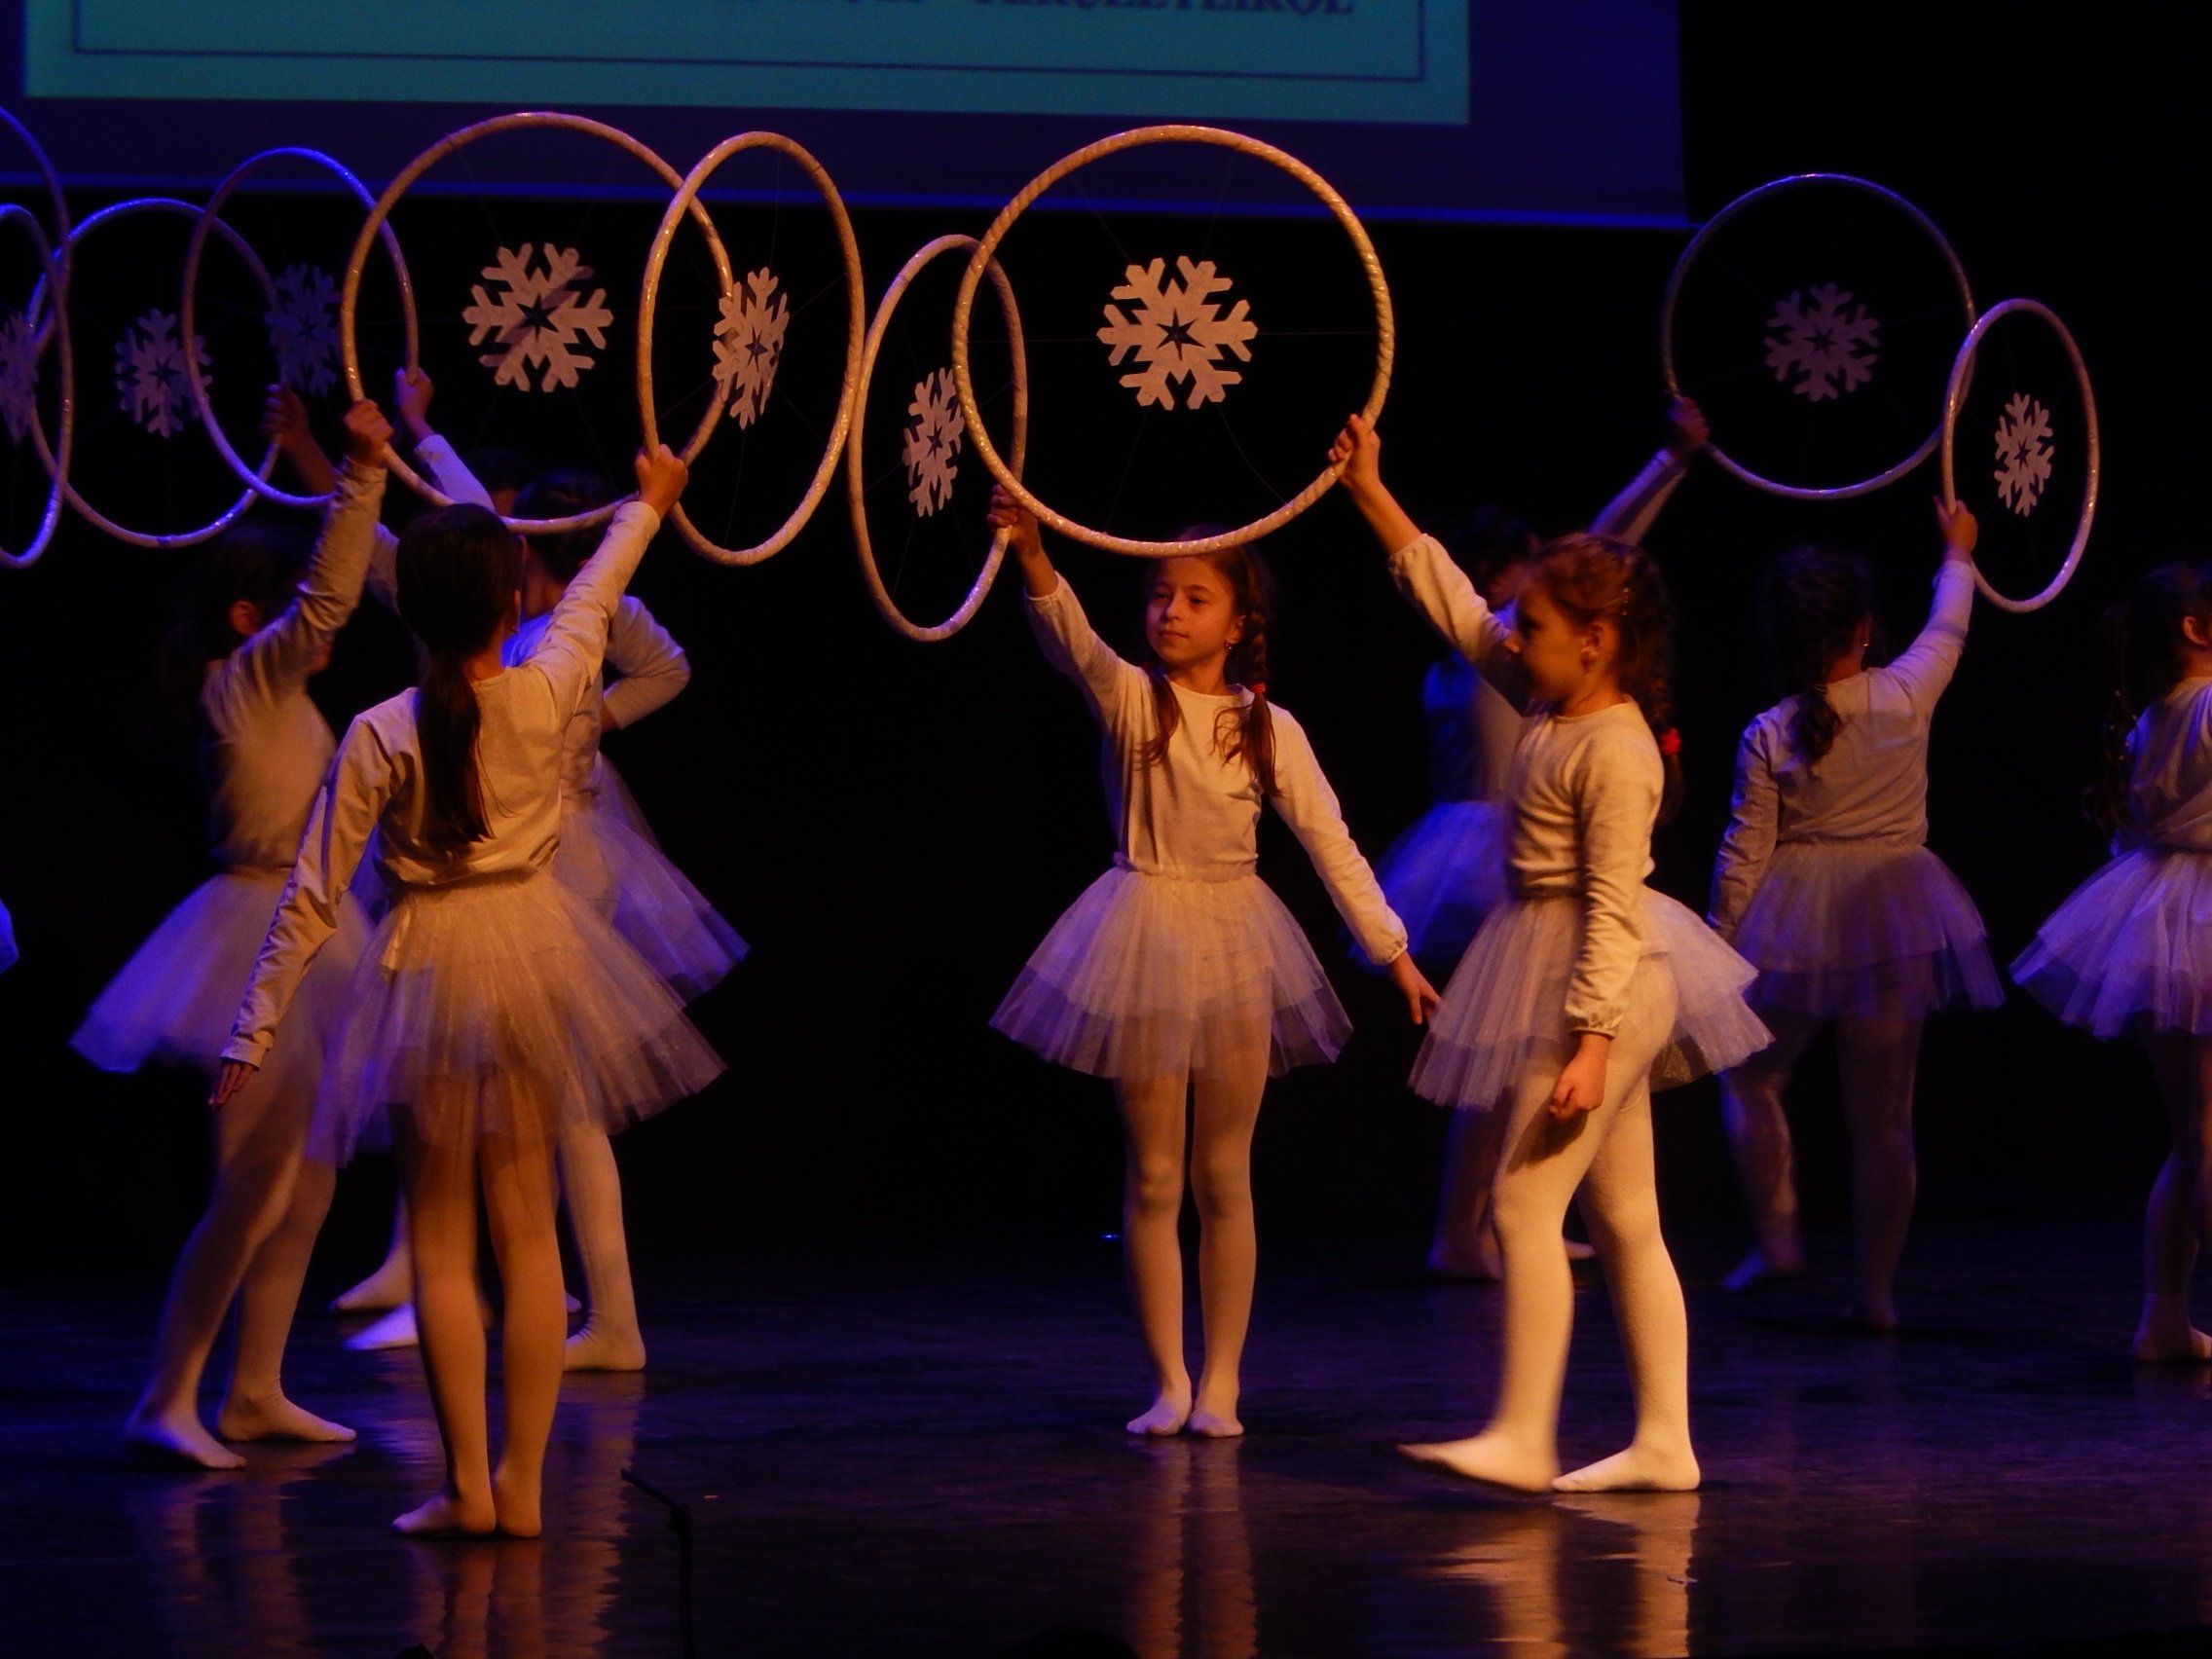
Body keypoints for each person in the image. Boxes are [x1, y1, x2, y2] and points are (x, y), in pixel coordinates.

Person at [215, 444, 721, 1535]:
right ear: (506, 602)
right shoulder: (549, 687)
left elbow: (310, 893)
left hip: (435, 964)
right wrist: (651, 502)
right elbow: (597, 590)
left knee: (445, 1242)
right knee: (528, 1238)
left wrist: (253, 1029)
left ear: (413, 610)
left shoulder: (380, 730)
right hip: (532, 955)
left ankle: (469, 1488)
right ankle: (520, 1491)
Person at [1332, 413, 1766, 1492]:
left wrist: (1592, 1042)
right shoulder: (1541, 690)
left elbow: (1612, 910)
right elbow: (1448, 602)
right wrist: (1370, 490)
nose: (1510, 635)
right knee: (1623, 1215)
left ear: (1598, 640)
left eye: (1531, 622)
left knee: (1523, 1204)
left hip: (1602, 979)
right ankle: (1664, 1443)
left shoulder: (1616, 751)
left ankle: (1525, 1437)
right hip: (1568, 962)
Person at [986, 486, 1439, 1438]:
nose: (1171, 612)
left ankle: (1223, 1380)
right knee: (1155, 1176)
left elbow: (1331, 844)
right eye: (1160, 595)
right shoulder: (1131, 698)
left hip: (1236, 941)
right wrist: (1029, 551)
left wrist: (1392, 951)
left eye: (1195, 598)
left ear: (1238, 623)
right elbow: (1068, 637)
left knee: (1222, 1174)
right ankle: (1168, 1381)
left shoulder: (1268, 727)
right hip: (1144, 930)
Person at [76, 402, 394, 1468]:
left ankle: (254, 1389)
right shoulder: (247, 681)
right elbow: (329, 597)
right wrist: (359, 472)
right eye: (293, 613)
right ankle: (166, 1397)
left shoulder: (279, 696)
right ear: (250, 615)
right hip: (255, 938)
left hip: (313, 933)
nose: (323, 631)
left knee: (308, 1182)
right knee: (253, 1183)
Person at [1709, 505, 1999, 1328]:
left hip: (1794, 916)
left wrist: (1719, 951)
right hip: (1894, 913)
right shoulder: (1905, 694)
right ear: (1865, 631)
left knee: (1751, 1077)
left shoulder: (1769, 731)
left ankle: (1778, 1237)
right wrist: (1957, 552)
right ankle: (1874, 1293)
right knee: (1883, 1120)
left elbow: (1742, 855)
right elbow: (1950, 625)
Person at [2013, 560, 2212, 1363]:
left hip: (2160, 917)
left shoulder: (2147, 722)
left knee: (2194, 1137)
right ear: (2196, 629)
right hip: (2194, 911)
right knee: (2203, 1138)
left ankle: (2163, 1316)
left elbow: (2130, 836)